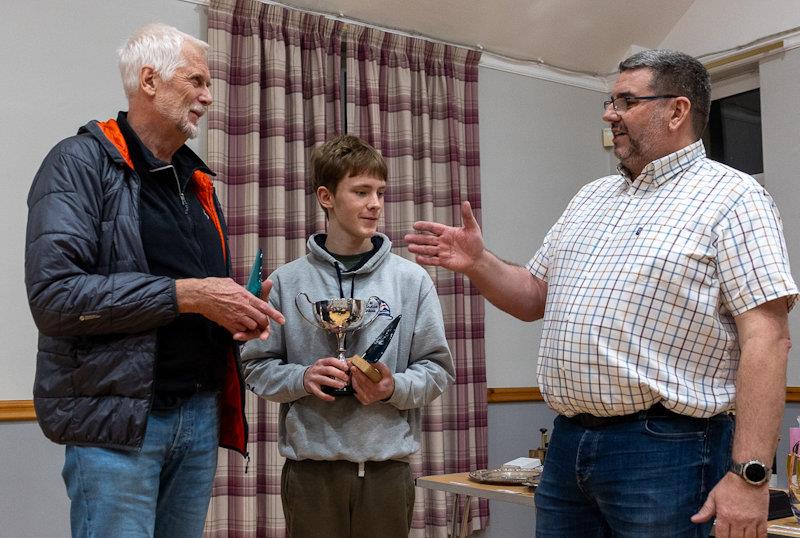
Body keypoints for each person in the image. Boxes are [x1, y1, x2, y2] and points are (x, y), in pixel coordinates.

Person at [405, 49, 797, 538]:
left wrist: (750, 476)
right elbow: (532, 296)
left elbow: (767, 339)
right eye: (610, 101)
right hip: (567, 443)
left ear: (677, 111)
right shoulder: (590, 197)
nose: (609, 114)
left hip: (668, 447)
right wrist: (479, 263)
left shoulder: (735, 198)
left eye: (626, 101)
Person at [24, 23, 284, 537]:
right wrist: (191, 295)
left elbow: (191, 303)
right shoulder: (78, 164)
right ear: (149, 81)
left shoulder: (197, 180)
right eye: (196, 82)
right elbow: (55, 297)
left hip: (198, 416)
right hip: (118, 430)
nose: (208, 98)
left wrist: (236, 310)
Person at [241, 134, 454, 537]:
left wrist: (393, 387)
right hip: (310, 475)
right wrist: (302, 379)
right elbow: (255, 368)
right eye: (361, 192)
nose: (375, 204)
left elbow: (438, 372)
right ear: (326, 197)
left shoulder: (412, 280)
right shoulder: (287, 281)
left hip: (387, 473)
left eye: (380, 192)